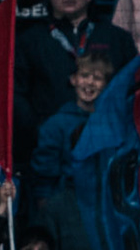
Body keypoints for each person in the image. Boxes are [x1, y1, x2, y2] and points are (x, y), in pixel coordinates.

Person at [13, 0, 136, 162]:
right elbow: (16, 95)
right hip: (50, 155)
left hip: (107, 152)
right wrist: (41, 131)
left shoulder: (117, 39)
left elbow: (131, 92)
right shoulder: (29, 41)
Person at [30, 54, 110, 201]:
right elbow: (44, 177)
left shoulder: (111, 125)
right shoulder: (55, 125)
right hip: (68, 205)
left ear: (106, 84)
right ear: (73, 80)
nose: (90, 83)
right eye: (84, 76)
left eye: (97, 78)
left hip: (103, 204)